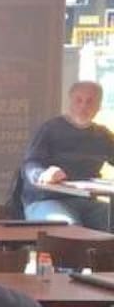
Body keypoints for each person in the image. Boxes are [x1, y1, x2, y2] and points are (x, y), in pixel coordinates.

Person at [20, 80, 114, 229]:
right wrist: (43, 174)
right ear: (70, 101)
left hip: (87, 202)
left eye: (90, 101)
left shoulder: (102, 135)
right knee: (69, 229)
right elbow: (30, 164)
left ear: (99, 106)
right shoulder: (50, 129)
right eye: (79, 100)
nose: (83, 106)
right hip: (46, 200)